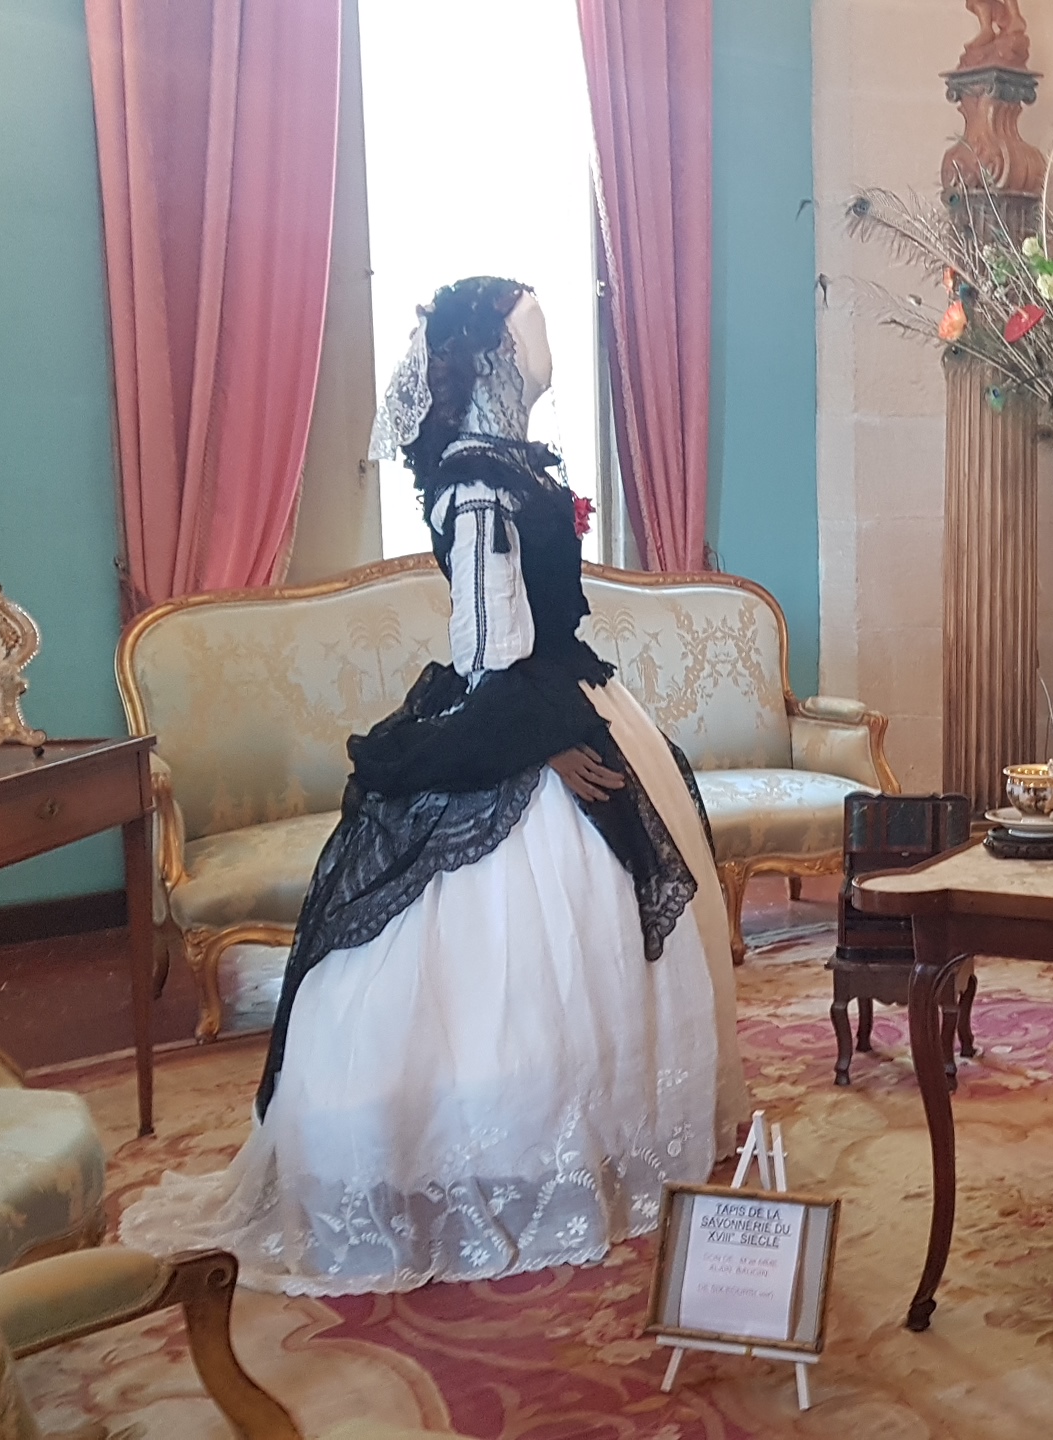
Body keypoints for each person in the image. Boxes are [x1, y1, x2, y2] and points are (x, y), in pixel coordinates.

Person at [119, 277, 746, 1294]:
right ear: (492, 355)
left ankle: (592, 1131)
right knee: (502, 959)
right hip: (522, 716)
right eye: (530, 334)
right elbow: (491, 651)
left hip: (566, 693)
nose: (545, 352)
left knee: (602, 944)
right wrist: (545, 744)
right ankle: (486, 1159)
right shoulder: (476, 481)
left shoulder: (516, 463)